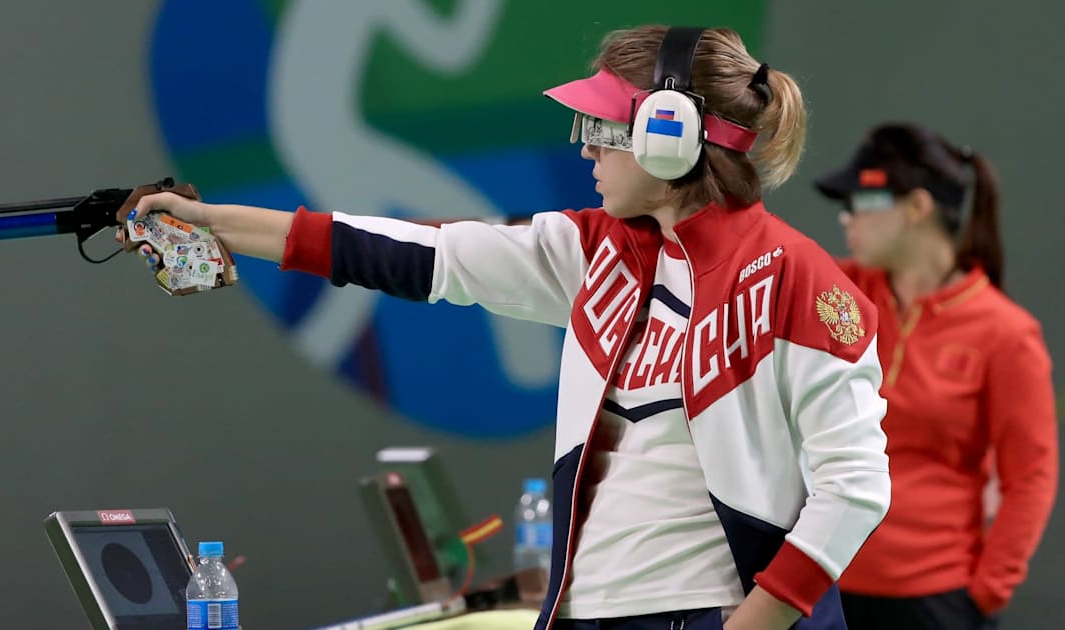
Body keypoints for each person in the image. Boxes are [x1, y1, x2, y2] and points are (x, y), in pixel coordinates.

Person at [121, 26, 891, 630]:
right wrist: (213, 222)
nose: (586, 145)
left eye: (603, 126)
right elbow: (407, 252)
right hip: (586, 614)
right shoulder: (594, 250)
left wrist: (750, 627)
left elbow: (855, 489)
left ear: (669, 133)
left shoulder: (800, 280)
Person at [813, 123, 1058, 630]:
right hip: (820, 584)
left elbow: (1030, 477)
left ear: (917, 208)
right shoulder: (837, 294)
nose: (847, 217)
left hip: (934, 602)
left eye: (861, 200)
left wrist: (985, 593)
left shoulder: (1007, 333)